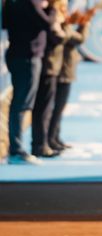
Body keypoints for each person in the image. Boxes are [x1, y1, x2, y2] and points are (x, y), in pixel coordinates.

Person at [3, 0, 58, 164]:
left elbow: (5, 23)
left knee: (20, 104)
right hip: (28, 57)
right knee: (21, 105)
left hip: (17, 54)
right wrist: (52, 7)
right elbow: (48, 24)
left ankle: (16, 148)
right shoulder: (29, 3)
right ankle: (16, 150)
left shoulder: (12, 3)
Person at [47, 5, 95, 151]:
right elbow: (78, 39)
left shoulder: (63, 24)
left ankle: (55, 137)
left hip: (65, 72)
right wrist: (85, 24)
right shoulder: (60, 24)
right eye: (62, 7)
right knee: (55, 109)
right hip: (61, 72)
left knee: (59, 109)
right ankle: (50, 139)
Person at [31, 0, 66, 158]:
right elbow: (57, 37)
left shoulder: (47, 12)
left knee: (46, 109)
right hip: (47, 67)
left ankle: (44, 142)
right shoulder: (47, 13)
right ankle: (40, 144)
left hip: (49, 67)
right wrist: (55, 15)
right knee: (42, 110)